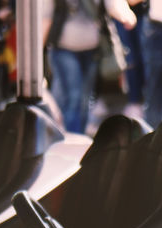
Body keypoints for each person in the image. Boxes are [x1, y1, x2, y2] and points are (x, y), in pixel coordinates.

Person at [44, 0, 136, 133]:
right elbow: (45, 16)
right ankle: (71, 139)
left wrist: (125, 14)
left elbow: (114, 4)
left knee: (85, 100)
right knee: (73, 98)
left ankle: (77, 135)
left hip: (92, 50)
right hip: (63, 49)